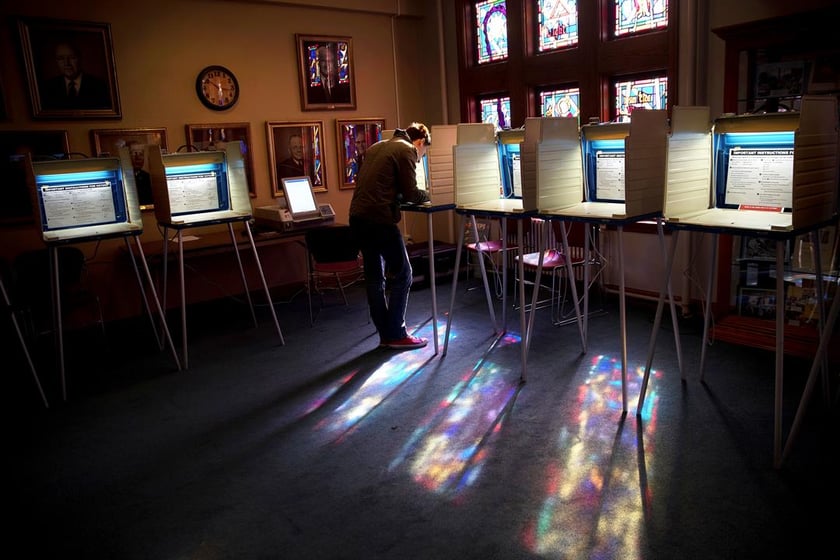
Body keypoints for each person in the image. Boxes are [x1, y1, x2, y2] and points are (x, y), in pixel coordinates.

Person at [349, 122, 431, 350]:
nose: (420, 157)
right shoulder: (407, 150)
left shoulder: (378, 146)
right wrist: (433, 194)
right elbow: (412, 192)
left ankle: (386, 334)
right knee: (404, 273)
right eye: (423, 153)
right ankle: (396, 333)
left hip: (358, 218)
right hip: (379, 220)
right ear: (421, 143)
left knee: (375, 279)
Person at [40, 41, 111, 110]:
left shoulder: (98, 86)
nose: (67, 63)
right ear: (56, 61)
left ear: (80, 58)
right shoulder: (48, 87)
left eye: (72, 57)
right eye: (61, 58)